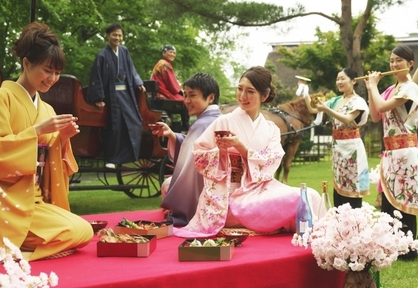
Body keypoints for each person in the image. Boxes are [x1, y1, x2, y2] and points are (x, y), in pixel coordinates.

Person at [0, 22, 93, 260]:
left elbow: (53, 164)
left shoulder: (48, 109)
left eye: (57, 72)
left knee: (83, 230)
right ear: (26, 63)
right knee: (76, 231)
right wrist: (36, 131)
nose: (52, 78)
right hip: (2, 203)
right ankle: (16, 255)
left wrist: (61, 140)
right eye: (47, 70)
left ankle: (17, 250)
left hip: (36, 200)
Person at [175, 66, 326, 237]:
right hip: (230, 197)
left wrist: (242, 148)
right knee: (299, 199)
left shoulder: (271, 129)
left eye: (250, 91)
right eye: (240, 89)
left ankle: (320, 237)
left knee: (310, 196)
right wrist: (221, 153)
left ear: (264, 96)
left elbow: (272, 160)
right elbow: (199, 154)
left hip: (260, 189)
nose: (242, 96)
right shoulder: (224, 121)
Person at [365, 45, 418, 259]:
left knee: (406, 199)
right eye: (391, 60)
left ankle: (407, 249)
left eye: (399, 60)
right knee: (390, 200)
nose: (394, 64)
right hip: (391, 153)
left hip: (406, 152)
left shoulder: (410, 88)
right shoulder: (390, 90)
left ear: (410, 64)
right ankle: (390, 246)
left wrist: (373, 86)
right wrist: (370, 88)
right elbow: (375, 115)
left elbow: (382, 107)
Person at [153, 73, 221, 226]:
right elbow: (191, 147)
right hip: (220, 187)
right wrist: (172, 135)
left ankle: (189, 213)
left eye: (192, 96)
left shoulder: (202, 124)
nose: (187, 101)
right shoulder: (216, 118)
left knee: (166, 185)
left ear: (210, 97)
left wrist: (177, 209)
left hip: (208, 190)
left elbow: (188, 163)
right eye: (185, 95)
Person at [304, 68, 370, 208]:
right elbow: (313, 110)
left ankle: (354, 224)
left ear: (353, 81)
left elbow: (347, 119)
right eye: (337, 79)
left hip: (352, 149)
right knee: (339, 188)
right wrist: (305, 93)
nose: (339, 82)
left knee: (352, 187)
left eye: (343, 78)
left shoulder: (358, 101)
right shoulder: (336, 100)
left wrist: (327, 110)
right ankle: (339, 225)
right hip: (338, 149)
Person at [86, 22, 145, 169]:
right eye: (114, 35)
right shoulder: (102, 55)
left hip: (126, 94)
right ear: (107, 36)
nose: (117, 38)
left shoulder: (124, 51)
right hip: (112, 96)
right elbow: (96, 77)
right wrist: (99, 98)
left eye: (120, 35)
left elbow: (131, 70)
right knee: (115, 126)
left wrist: (138, 83)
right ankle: (112, 159)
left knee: (134, 122)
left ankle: (126, 157)